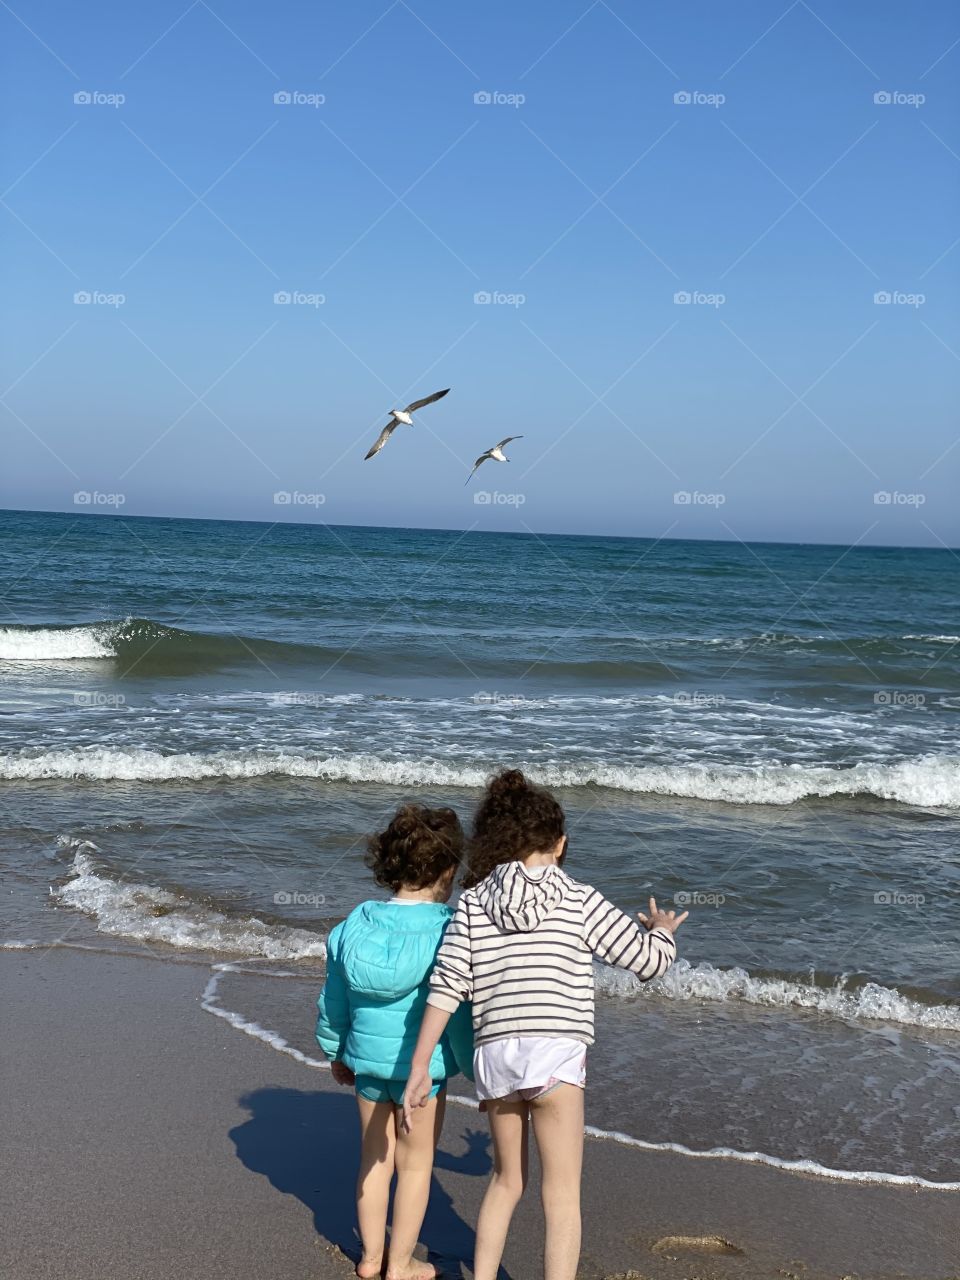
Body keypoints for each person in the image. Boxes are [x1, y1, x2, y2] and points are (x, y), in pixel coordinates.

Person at [402, 769, 687, 1280]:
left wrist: (420, 1065)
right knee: (561, 1196)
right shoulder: (578, 897)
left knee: (506, 1180)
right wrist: (662, 932)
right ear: (559, 843)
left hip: (496, 1059)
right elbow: (648, 963)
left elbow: (447, 986)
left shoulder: (473, 902)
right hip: (555, 1055)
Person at [316, 804, 473, 1280]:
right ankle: (400, 1262)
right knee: (416, 1162)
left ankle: (369, 1258)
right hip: (422, 1074)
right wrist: (472, 1065)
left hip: (367, 1064)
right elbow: (458, 1014)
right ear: (448, 871)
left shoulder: (353, 926)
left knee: (373, 1159)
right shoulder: (449, 931)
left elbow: (333, 1001)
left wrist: (335, 1051)